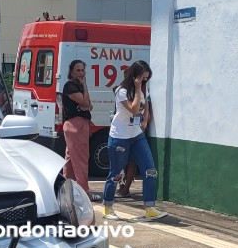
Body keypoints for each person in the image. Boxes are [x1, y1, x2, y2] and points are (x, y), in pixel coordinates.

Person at [102, 60, 167, 220]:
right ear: (135, 75)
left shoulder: (142, 90)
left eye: (146, 78)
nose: (144, 81)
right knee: (116, 173)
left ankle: (150, 207)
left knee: (150, 170)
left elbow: (145, 105)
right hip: (119, 137)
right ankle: (108, 207)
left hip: (136, 136)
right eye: (142, 78)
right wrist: (137, 88)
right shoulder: (121, 91)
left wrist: (145, 119)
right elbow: (134, 109)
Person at [61, 60, 99, 200]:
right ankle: (84, 192)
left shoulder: (77, 86)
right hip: (76, 125)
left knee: (71, 159)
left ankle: (67, 190)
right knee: (81, 159)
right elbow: (85, 103)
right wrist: (85, 87)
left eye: (83, 70)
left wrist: (86, 104)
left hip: (77, 124)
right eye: (78, 70)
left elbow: (89, 105)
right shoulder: (71, 86)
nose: (81, 73)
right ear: (71, 72)